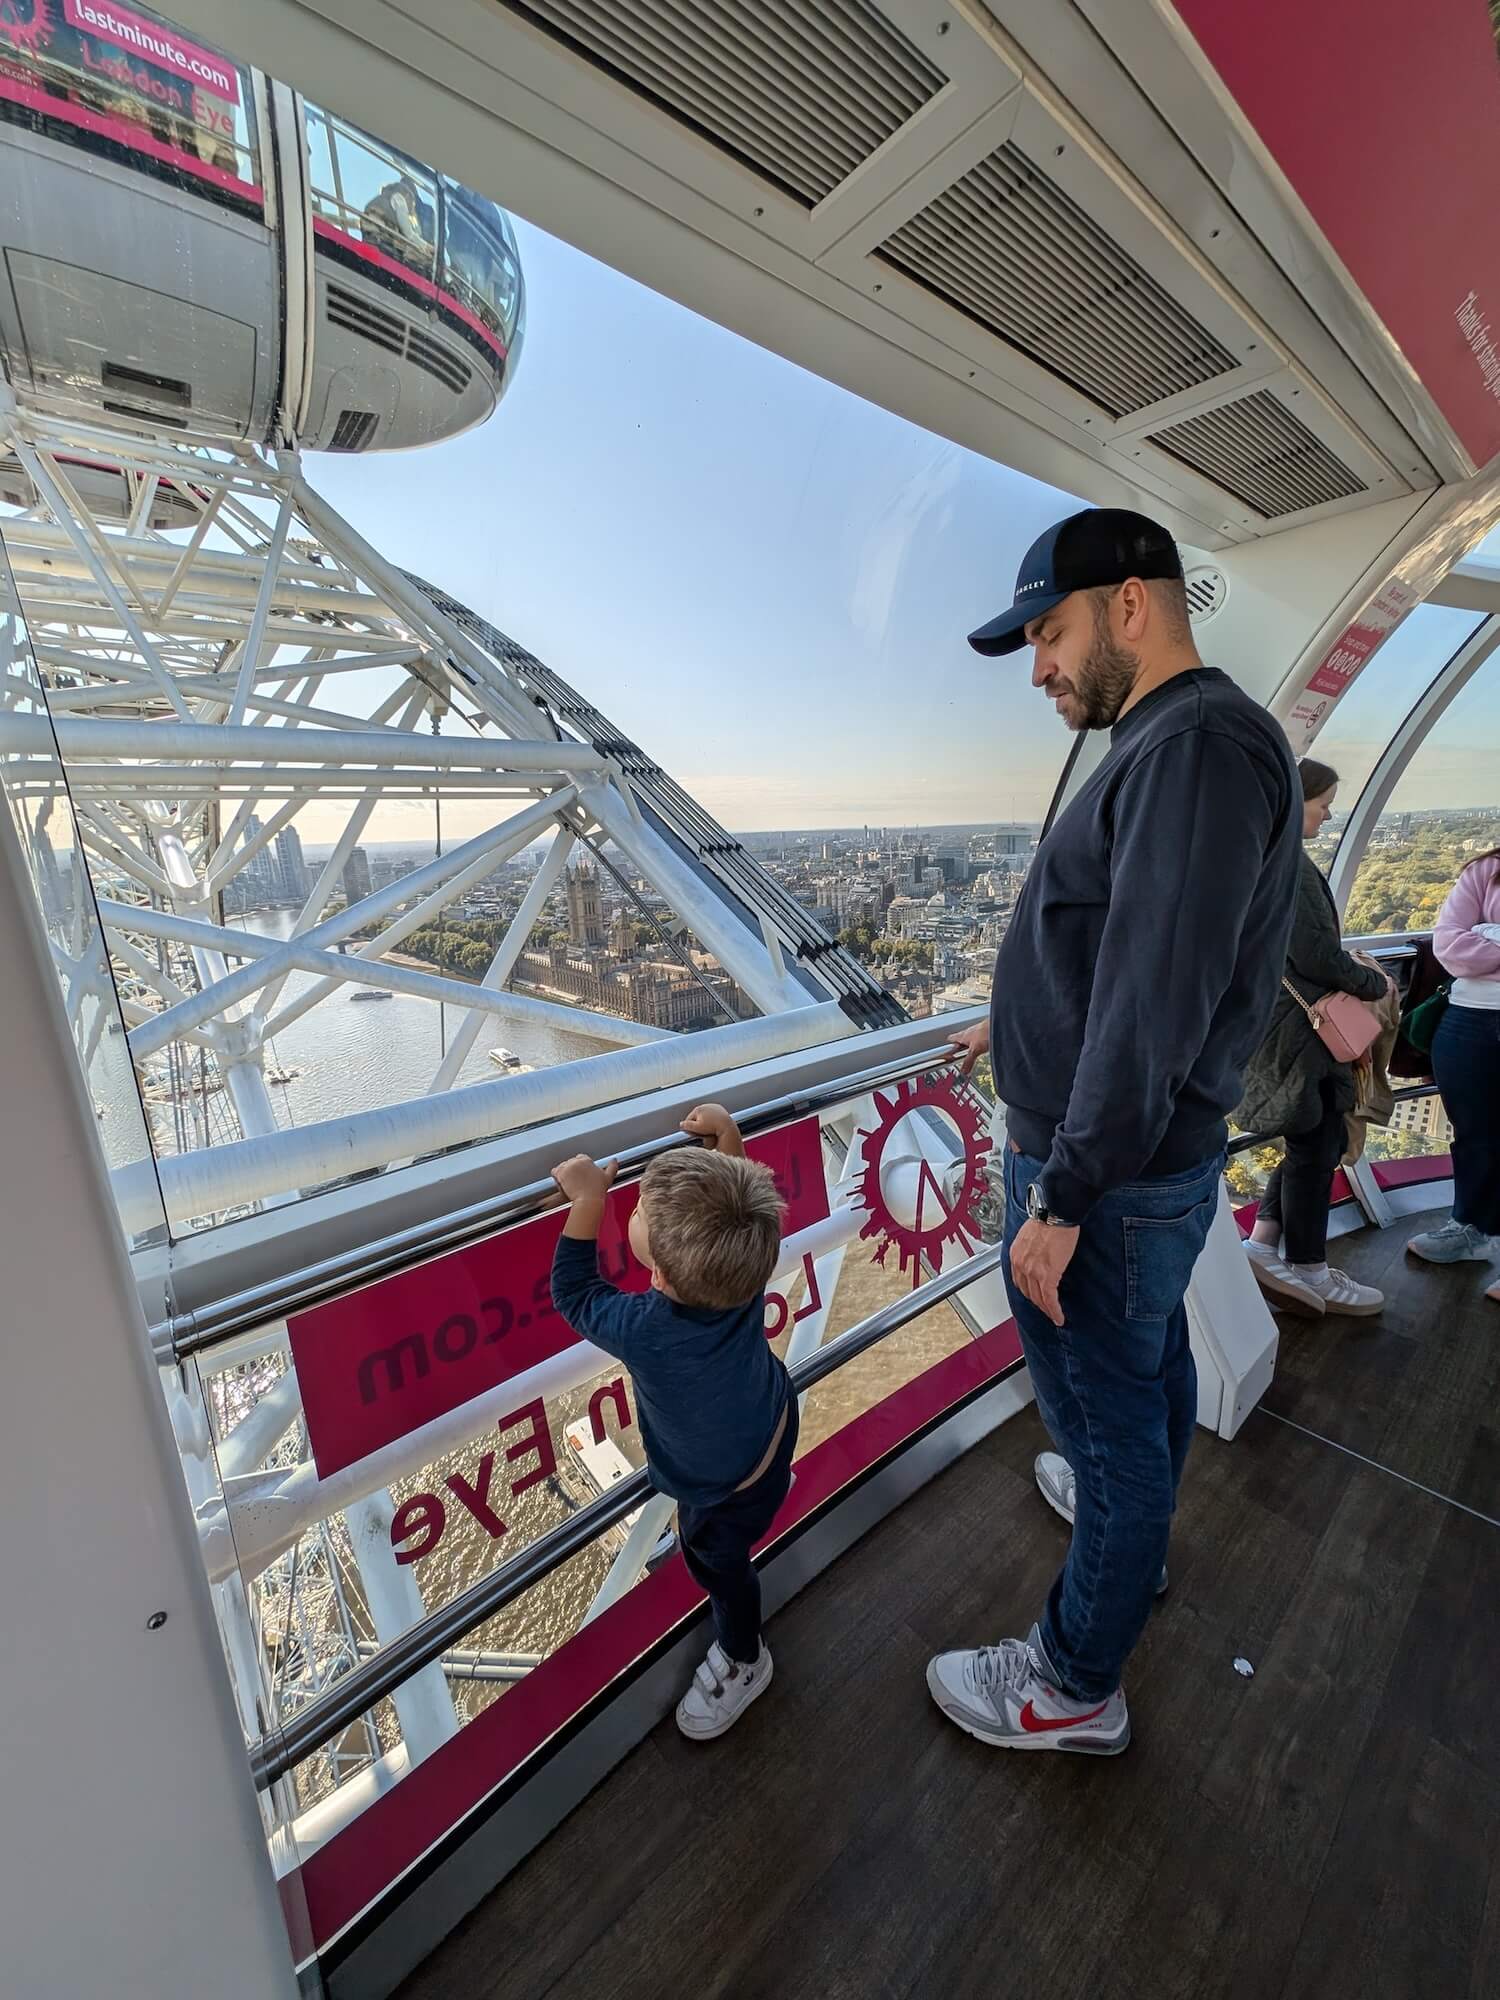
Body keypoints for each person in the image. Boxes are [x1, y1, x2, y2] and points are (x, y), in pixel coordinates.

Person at [930, 506, 1300, 1756]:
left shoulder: (1193, 745)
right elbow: (1116, 955)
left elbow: (1153, 998)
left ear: (1130, 605)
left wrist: (1063, 1195)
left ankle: (1070, 1681)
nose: (1038, 664)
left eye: (1050, 630)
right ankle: (1114, 1531)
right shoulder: (1173, 742)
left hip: (1110, 1178)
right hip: (1138, 1166)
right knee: (1142, 1387)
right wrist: (1012, 1021)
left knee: (1112, 1415)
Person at [549, 1103, 795, 1740]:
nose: (627, 1212)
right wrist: (729, 1143)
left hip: (718, 1493)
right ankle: (768, 1501)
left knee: (719, 1566)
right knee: (755, 1501)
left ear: (655, 1268)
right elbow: (736, 1220)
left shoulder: (646, 1330)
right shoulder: (743, 1275)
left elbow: (574, 1294)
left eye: (635, 1216)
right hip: (773, 1428)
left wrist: (587, 1202)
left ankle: (745, 1658)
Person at [1236, 760, 1394, 1315]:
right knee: (1317, 1144)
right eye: (1322, 804)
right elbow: (1316, 955)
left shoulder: (1257, 859)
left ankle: (1265, 1243)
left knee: (1311, 1140)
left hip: (1278, 1024)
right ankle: (1310, 1267)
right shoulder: (1291, 870)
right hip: (1303, 1031)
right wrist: (1371, 980)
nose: (1328, 815)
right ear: (1294, 799)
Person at [1406, 846, 1500, 1302]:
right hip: (1467, 1021)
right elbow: (1449, 947)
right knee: (1473, 1133)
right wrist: (1476, 938)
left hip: (1474, 1013)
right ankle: (1472, 1229)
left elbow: (1468, 945)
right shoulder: (1487, 870)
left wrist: (1487, 934)